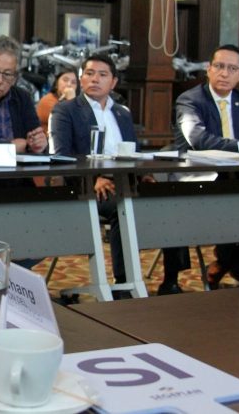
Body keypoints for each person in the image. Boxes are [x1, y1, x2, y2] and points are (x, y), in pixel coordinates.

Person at [175, 44, 239, 288]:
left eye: (232, 68)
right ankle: (230, 263)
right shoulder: (190, 100)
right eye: (219, 66)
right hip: (200, 179)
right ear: (209, 69)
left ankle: (227, 263)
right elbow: (199, 140)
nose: (224, 73)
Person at [50, 55, 153, 298]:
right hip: (85, 186)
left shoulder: (122, 113)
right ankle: (124, 284)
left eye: (102, 74)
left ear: (113, 82)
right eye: (89, 73)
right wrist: (93, 177)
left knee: (170, 199)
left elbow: (133, 152)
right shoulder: (66, 110)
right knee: (123, 207)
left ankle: (171, 278)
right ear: (81, 78)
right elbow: (62, 156)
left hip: (125, 182)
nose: (94, 79)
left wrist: (145, 174)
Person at [37, 68, 78, 134]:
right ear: (56, 84)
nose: (69, 84)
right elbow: (67, 124)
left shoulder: (76, 103)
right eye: (65, 80)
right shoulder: (48, 101)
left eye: (73, 82)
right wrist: (71, 100)